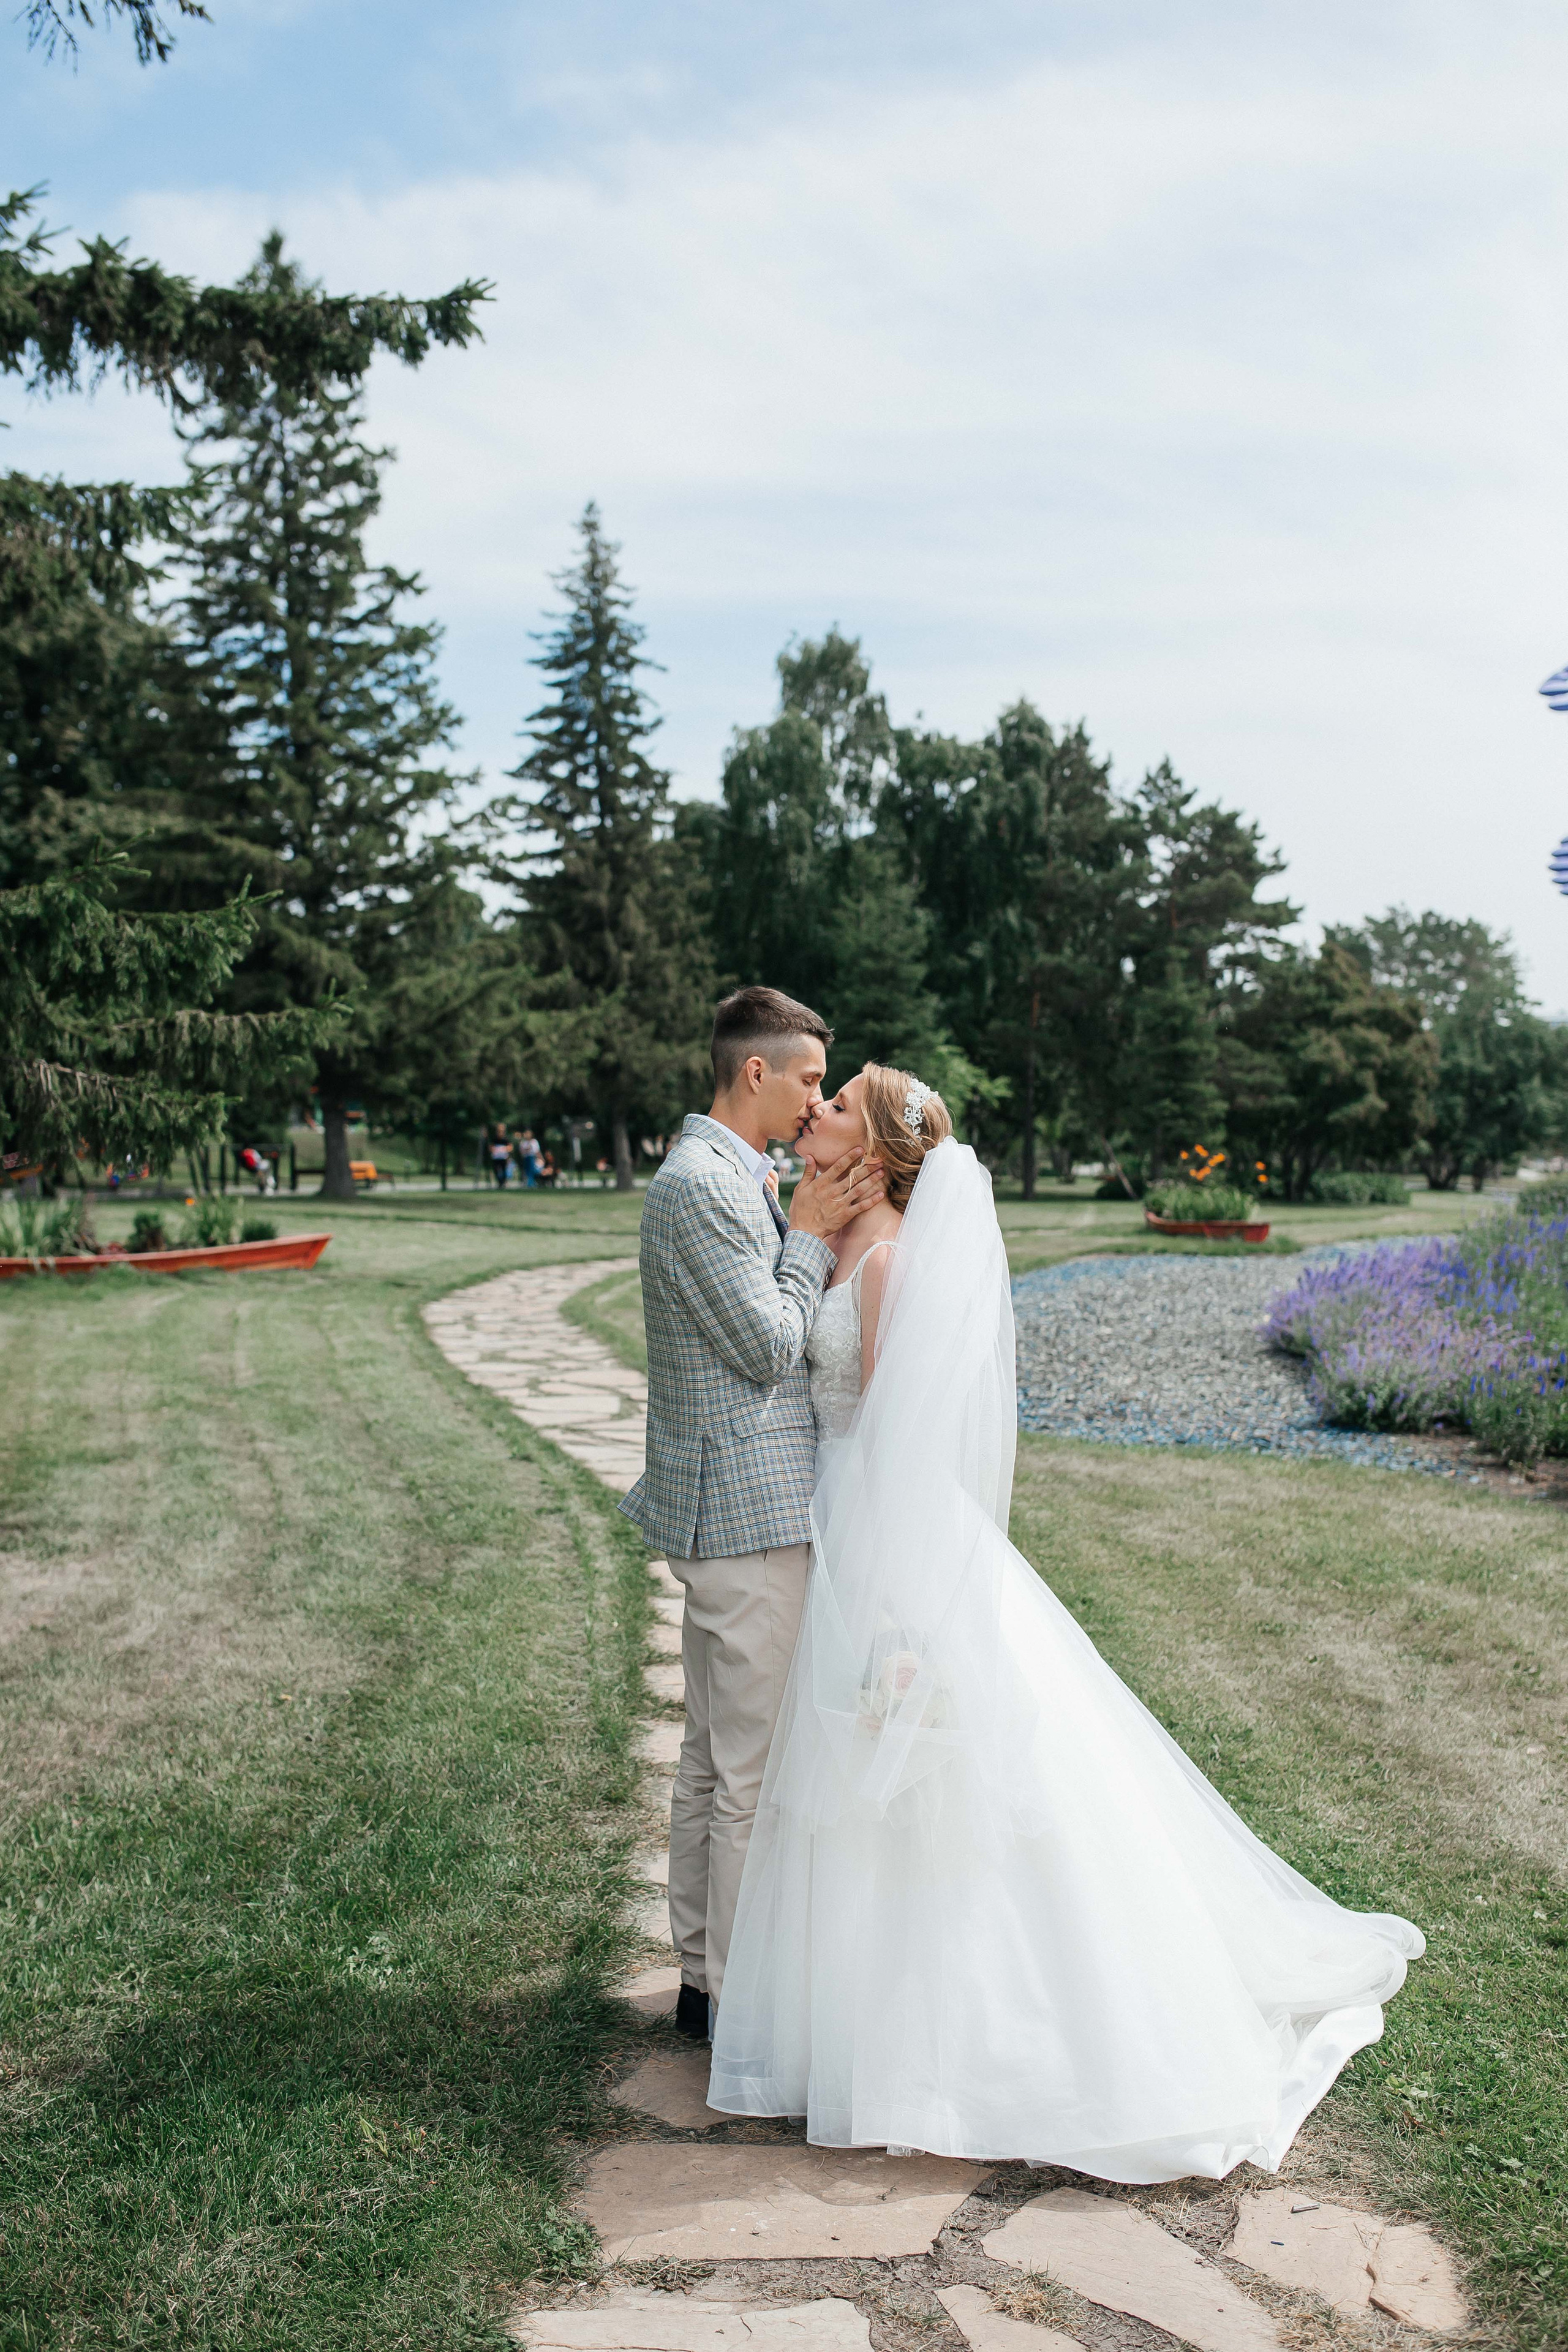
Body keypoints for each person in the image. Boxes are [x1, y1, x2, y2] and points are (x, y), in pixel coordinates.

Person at [707, 1063, 1424, 2181]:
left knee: (919, 1776)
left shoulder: (889, 1258)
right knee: (847, 1792)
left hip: (888, 1526)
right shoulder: (830, 1233)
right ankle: (844, 2027)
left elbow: (903, 1437)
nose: (818, 1110)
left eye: (838, 1104)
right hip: (836, 1515)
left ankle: (964, 2045)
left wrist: (899, 1618)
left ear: (879, 1150)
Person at [620, 986, 885, 2043]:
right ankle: (734, 2000)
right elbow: (769, 1344)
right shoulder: (702, 1188)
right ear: (757, 1072)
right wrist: (815, 1235)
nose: (819, 1095)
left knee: (708, 1758)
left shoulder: (730, 1177)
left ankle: (702, 1974)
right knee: (747, 1774)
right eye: (813, 1078)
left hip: (737, 1508)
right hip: (743, 1515)